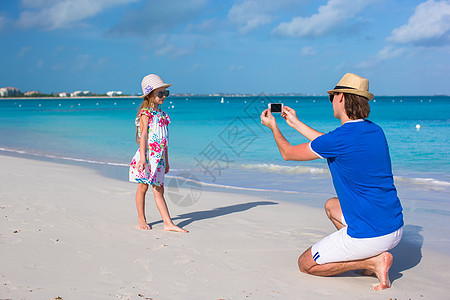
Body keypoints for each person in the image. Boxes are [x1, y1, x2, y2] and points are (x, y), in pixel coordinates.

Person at [260, 73, 404, 290]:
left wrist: (274, 127)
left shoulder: (339, 139)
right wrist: (295, 123)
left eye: (332, 96)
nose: (332, 101)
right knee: (331, 205)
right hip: (394, 227)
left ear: (342, 98)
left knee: (305, 264)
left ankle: (372, 261)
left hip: (371, 234)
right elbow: (328, 143)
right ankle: (368, 258)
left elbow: (288, 153)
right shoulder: (375, 130)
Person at [129, 74, 187, 233]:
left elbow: (165, 140)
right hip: (146, 157)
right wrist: (142, 158)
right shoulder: (145, 114)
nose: (163, 96)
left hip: (159, 158)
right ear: (150, 95)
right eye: (160, 93)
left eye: (165, 93)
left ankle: (168, 223)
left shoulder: (163, 116)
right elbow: (144, 137)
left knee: (159, 190)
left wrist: (166, 161)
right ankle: (141, 218)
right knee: (143, 187)